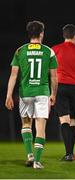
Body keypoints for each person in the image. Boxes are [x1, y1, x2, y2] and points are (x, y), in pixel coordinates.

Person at [5, 20, 58, 169]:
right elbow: (54, 77)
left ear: (29, 34)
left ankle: (29, 155)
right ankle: (37, 161)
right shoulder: (49, 51)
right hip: (42, 93)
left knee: (26, 124)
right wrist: (53, 94)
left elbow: (13, 76)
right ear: (41, 34)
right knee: (40, 127)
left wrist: (9, 95)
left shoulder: (20, 51)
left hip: (25, 93)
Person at [52, 24, 75, 161]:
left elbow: (49, 70)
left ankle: (68, 154)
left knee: (64, 120)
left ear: (64, 35)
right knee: (73, 121)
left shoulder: (55, 49)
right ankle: (70, 153)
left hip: (60, 86)